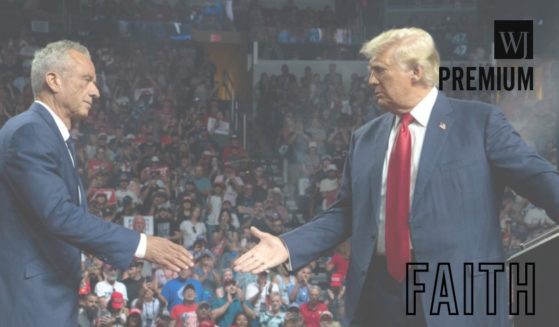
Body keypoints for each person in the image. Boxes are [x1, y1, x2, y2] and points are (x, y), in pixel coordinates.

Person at [234, 27, 559, 327]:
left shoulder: (479, 122)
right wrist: (289, 245)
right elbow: (346, 213)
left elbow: (538, 177)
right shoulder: (365, 137)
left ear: (417, 71)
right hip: (379, 298)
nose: (370, 80)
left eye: (379, 70)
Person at [0, 40, 193, 326]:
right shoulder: (30, 132)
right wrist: (142, 245)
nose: (96, 91)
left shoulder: (51, 136)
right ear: (53, 80)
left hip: (50, 297)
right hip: (33, 304)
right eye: (86, 80)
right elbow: (58, 214)